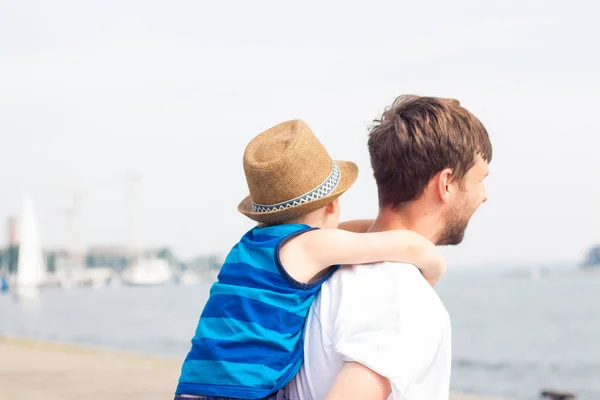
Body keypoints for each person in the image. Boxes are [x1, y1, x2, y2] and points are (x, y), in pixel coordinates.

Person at [175, 119, 447, 400]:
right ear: (332, 205)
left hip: (195, 386)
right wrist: (433, 270)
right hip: (241, 392)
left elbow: (347, 233)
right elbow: (413, 247)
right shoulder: (311, 246)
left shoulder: (253, 246)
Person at [286, 95, 493, 400]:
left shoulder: (320, 274)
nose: (484, 195)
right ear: (446, 183)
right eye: (480, 179)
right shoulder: (400, 300)